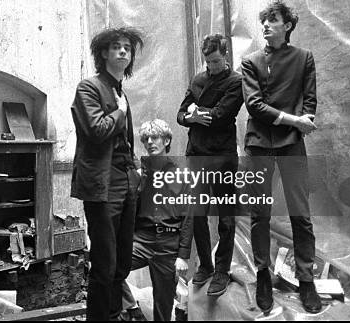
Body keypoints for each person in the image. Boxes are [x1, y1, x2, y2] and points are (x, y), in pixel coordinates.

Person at [241, 0, 321, 314]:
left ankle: (306, 279)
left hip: (291, 144)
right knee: (260, 214)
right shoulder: (251, 61)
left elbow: (310, 100)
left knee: (301, 214)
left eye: (273, 20)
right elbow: (255, 106)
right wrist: (294, 121)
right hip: (259, 143)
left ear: (287, 25)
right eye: (263, 21)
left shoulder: (304, 58)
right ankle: (262, 274)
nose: (265, 25)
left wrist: (306, 120)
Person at [71, 26, 143, 321]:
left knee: (122, 262)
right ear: (104, 53)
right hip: (102, 186)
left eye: (127, 47)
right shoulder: (89, 88)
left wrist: (136, 169)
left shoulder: (118, 91)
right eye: (116, 47)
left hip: (125, 182)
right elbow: (97, 130)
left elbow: (123, 142)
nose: (123, 51)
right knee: (104, 263)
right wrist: (121, 112)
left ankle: (114, 314)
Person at [176, 34, 244, 296]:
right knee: (198, 214)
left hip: (222, 156)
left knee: (226, 217)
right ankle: (205, 264)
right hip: (196, 154)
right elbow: (181, 115)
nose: (212, 66)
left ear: (225, 56)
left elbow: (221, 115)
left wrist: (198, 114)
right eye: (208, 61)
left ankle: (222, 271)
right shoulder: (198, 79)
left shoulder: (235, 81)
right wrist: (193, 116)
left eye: (216, 61)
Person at [119, 119, 191, 321]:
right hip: (141, 240)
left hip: (168, 245)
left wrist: (183, 255)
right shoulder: (139, 176)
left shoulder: (182, 175)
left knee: (164, 303)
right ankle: (132, 309)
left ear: (167, 140)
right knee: (109, 267)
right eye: (146, 139)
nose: (150, 142)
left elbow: (188, 217)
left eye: (156, 137)